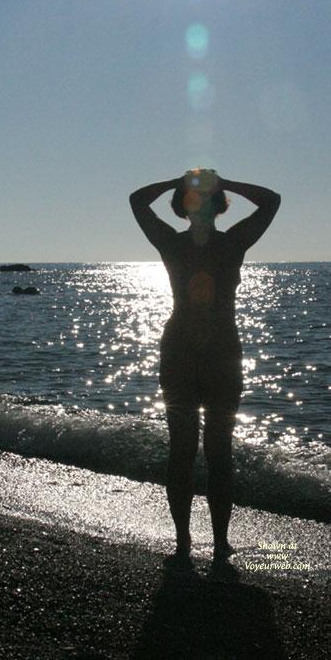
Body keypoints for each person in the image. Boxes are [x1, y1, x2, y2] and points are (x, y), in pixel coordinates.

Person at [130, 170, 280, 564]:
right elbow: (136, 201)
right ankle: (186, 540)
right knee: (190, 450)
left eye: (205, 197)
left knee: (215, 451)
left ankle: (215, 541)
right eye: (194, 197)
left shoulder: (223, 242)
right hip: (196, 352)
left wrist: (207, 183)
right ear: (185, 206)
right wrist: (201, 182)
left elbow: (273, 200)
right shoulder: (209, 243)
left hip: (210, 354)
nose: (200, 201)